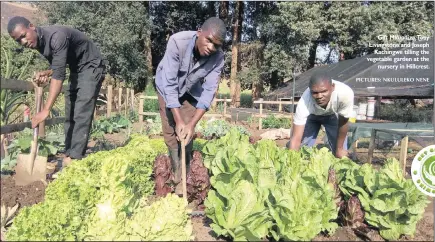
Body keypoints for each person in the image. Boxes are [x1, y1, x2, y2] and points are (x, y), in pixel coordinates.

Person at [8, 16, 106, 166]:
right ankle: (68, 152)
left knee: (81, 111)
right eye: (18, 41)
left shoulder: (56, 37)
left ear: (32, 26)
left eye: (23, 36)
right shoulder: (38, 43)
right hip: (76, 68)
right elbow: (57, 66)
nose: (23, 42)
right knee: (70, 110)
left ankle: (75, 158)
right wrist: (48, 72)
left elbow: (59, 76)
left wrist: (46, 110)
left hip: (91, 66)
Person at [155, 17, 226, 194]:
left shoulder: (218, 58)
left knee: (187, 132)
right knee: (170, 128)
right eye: (209, 40)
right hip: (167, 86)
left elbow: (209, 92)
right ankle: (175, 168)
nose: (211, 47)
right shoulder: (177, 42)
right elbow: (170, 84)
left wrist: (190, 124)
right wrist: (178, 120)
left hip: (191, 89)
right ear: (199, 32)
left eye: (216, 45)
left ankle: (184, 175)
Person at [287, 72, 354, 158]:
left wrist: (340, 148)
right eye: (315, 93)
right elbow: (296, 138)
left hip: (331, 115)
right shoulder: (304, 100)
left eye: (324, 91)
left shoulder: (344, 93)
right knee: (302, 147)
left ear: (332, 87)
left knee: (340, 152)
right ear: (310, 90)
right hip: (312, 117)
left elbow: (343, 121)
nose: (319, 96)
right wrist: (291, 161)